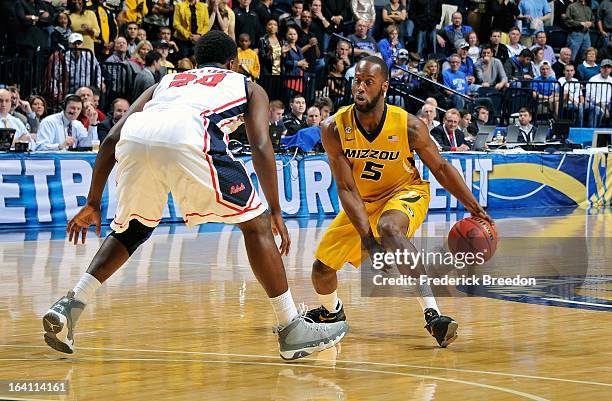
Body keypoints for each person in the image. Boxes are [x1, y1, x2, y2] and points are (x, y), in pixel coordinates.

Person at [41, 31, 348, 361]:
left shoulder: (166, 81)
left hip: (137, 137)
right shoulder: (246, 85)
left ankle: (70, 304)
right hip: (190, 135)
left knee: (133, 228)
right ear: (233, 63)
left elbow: (112, 137)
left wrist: (92, 202)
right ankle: (291, 327)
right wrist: (274, 209)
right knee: (256, 223)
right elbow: (261, 146)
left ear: (197, 62)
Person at [305, 56, 493, 348]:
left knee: (390, 228)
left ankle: (433, 315)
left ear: (384, 87)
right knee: (321, 270)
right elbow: (345, 187)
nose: (360, 88)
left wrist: (474, 206)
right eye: (357, 81)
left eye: (369, 82)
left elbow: (441, 168)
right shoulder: (333, 128)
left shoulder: (409, 126)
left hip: (405, 191)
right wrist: (368, 240)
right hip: (362, 200)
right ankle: (332, 313)